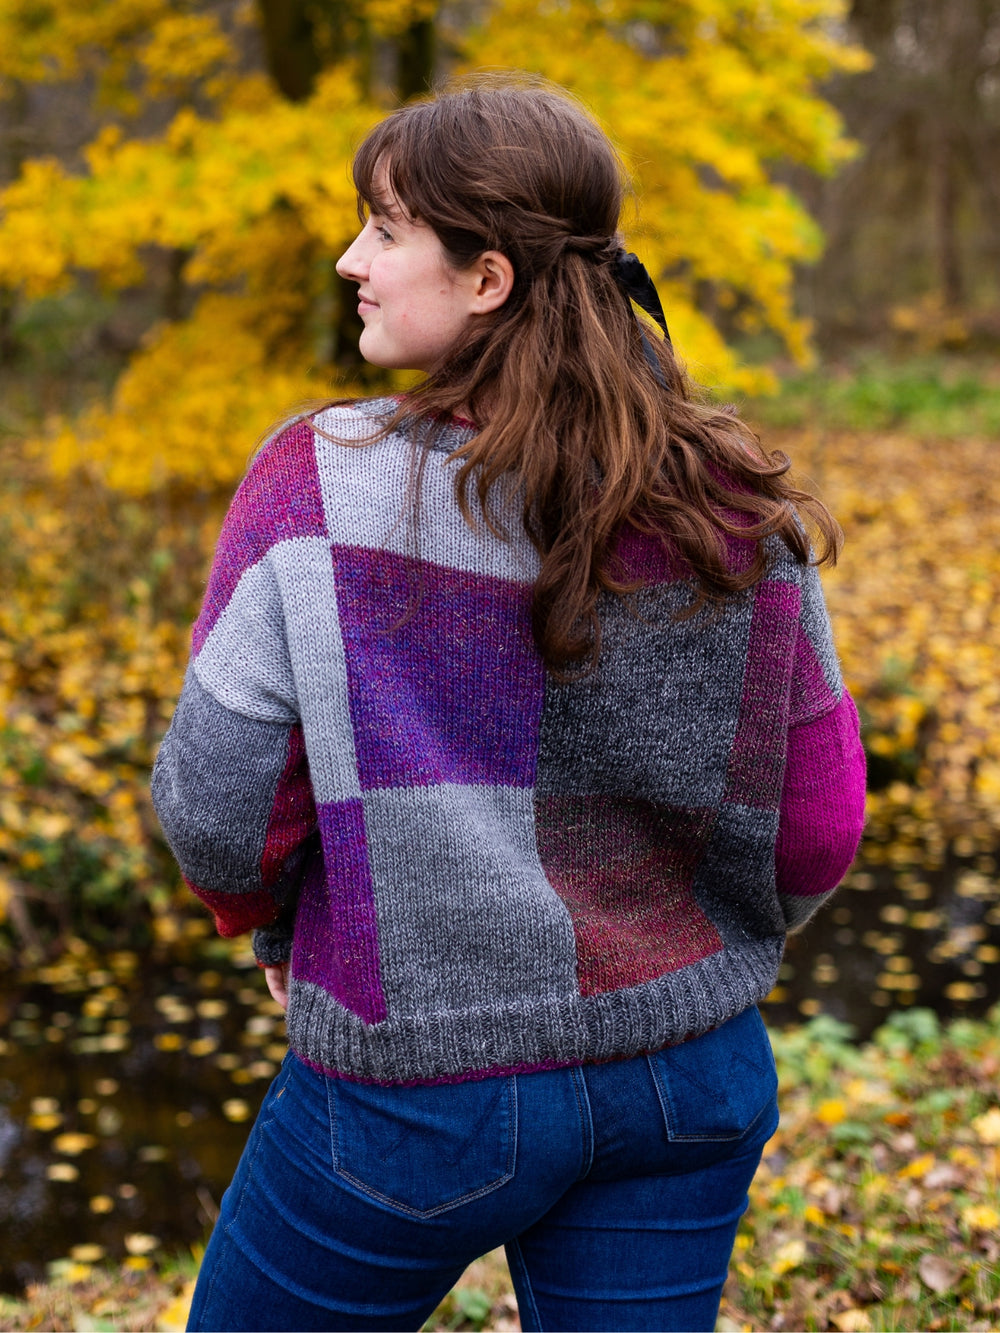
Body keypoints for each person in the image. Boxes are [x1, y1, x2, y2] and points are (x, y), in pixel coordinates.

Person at [152, 75, 866, 1333]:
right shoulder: (737, 503)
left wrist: (272, 935)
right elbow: (815, 828)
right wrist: (681, 950)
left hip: (417, 1093)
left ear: (487, 278)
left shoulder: (317, 485)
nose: (348, 260)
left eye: (385, 230)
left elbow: (218, 812)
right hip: (687, 1080)